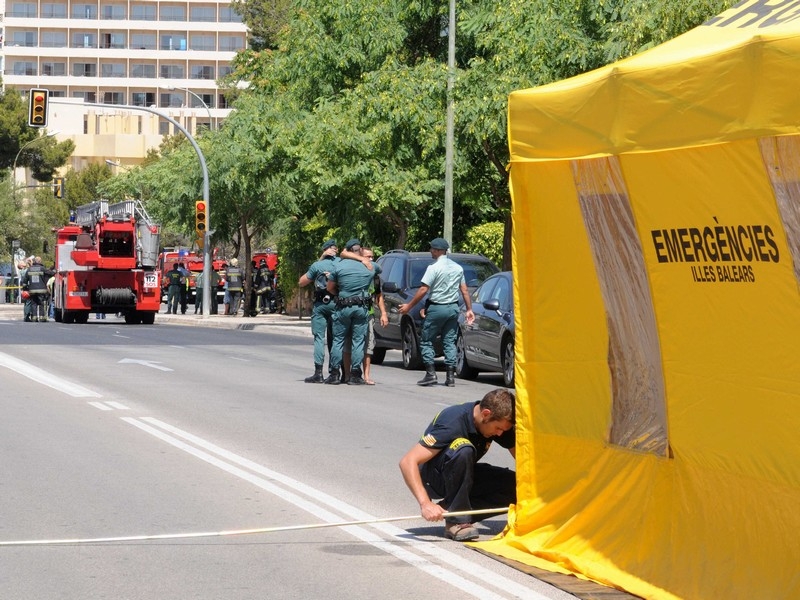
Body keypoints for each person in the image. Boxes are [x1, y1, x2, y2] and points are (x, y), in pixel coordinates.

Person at [398, 388, 516, 542]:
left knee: (517, 486)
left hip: (462, 474)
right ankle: (457, 522)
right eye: (498, 428)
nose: (500, 434)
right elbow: (407, 462)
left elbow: (521, 458)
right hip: (434, 478)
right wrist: (425, 503)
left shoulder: (496, 423)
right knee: (463, 448)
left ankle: (452, 509)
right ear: (486, 414)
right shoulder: (453, 422)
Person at [398, 238, 474, 387]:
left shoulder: (433, 268)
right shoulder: (458, 268)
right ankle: (450, 377)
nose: (431, 251)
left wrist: (409, 305)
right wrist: (469, 309)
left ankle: (430, 374)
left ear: (439, 251)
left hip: (437, 308)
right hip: (453, 308)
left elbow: (423, 289)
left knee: (426, 340)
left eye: (432, 249)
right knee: (449, 341)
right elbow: (464, 290)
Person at [324, 238, 380, 386]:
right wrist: (363, 260)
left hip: (343, 307)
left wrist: (341, 294)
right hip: (361, 308)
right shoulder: (370, 266)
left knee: (338, 341)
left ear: (348, 251)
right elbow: (378, 271)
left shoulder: (339, 267)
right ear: (360, 251)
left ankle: (335, 374)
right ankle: (355, 375)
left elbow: (329, 288)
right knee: (358, 341)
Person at [298, 239, 339, 383]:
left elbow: (302, 282)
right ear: (336, 250)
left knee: (319, 338)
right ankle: (335, 373)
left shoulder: (317, 265)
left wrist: (320, 259)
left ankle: (318, 373)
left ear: (325, 250)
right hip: (336, 303)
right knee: (336, 339)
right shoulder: (340, 263)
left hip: (321, 304)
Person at [359, 247, 387, 384]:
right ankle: (351, 373)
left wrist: (383, 313)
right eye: (367, 257)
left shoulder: (375, 276)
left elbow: (378, 296)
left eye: (372, 257)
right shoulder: (356, 273)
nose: (371, 259)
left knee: (369, 345)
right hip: (357, 314)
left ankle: (367, 376)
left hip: (369, 314)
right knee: (355, 344)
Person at [21, 257, 50, 322]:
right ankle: (42, 318)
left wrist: (25, 288)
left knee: (33, 304)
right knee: (42, 303)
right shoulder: (42, 268)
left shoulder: (29, 269)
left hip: (32, 290)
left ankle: (34, 318)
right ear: (40, 261)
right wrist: (55, 271)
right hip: (41, 290)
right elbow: (50, 273)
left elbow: (25, 280)